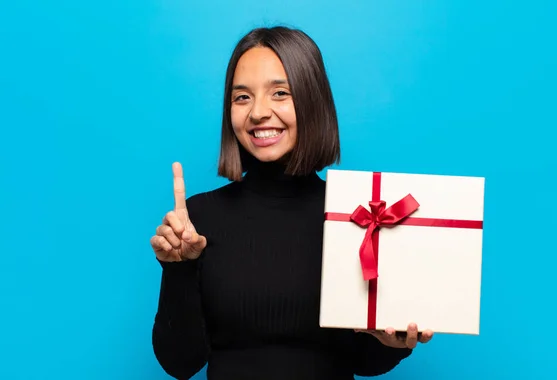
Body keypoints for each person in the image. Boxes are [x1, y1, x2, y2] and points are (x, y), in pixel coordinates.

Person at [150, 26, 434, 380]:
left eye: (280, 93)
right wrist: (178, 268)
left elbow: (363, 361)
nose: (258, 113)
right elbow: (180, 363)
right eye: (242, 97)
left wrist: (395, 344)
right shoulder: (197, 221)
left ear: (312, 100)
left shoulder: (360, 218)